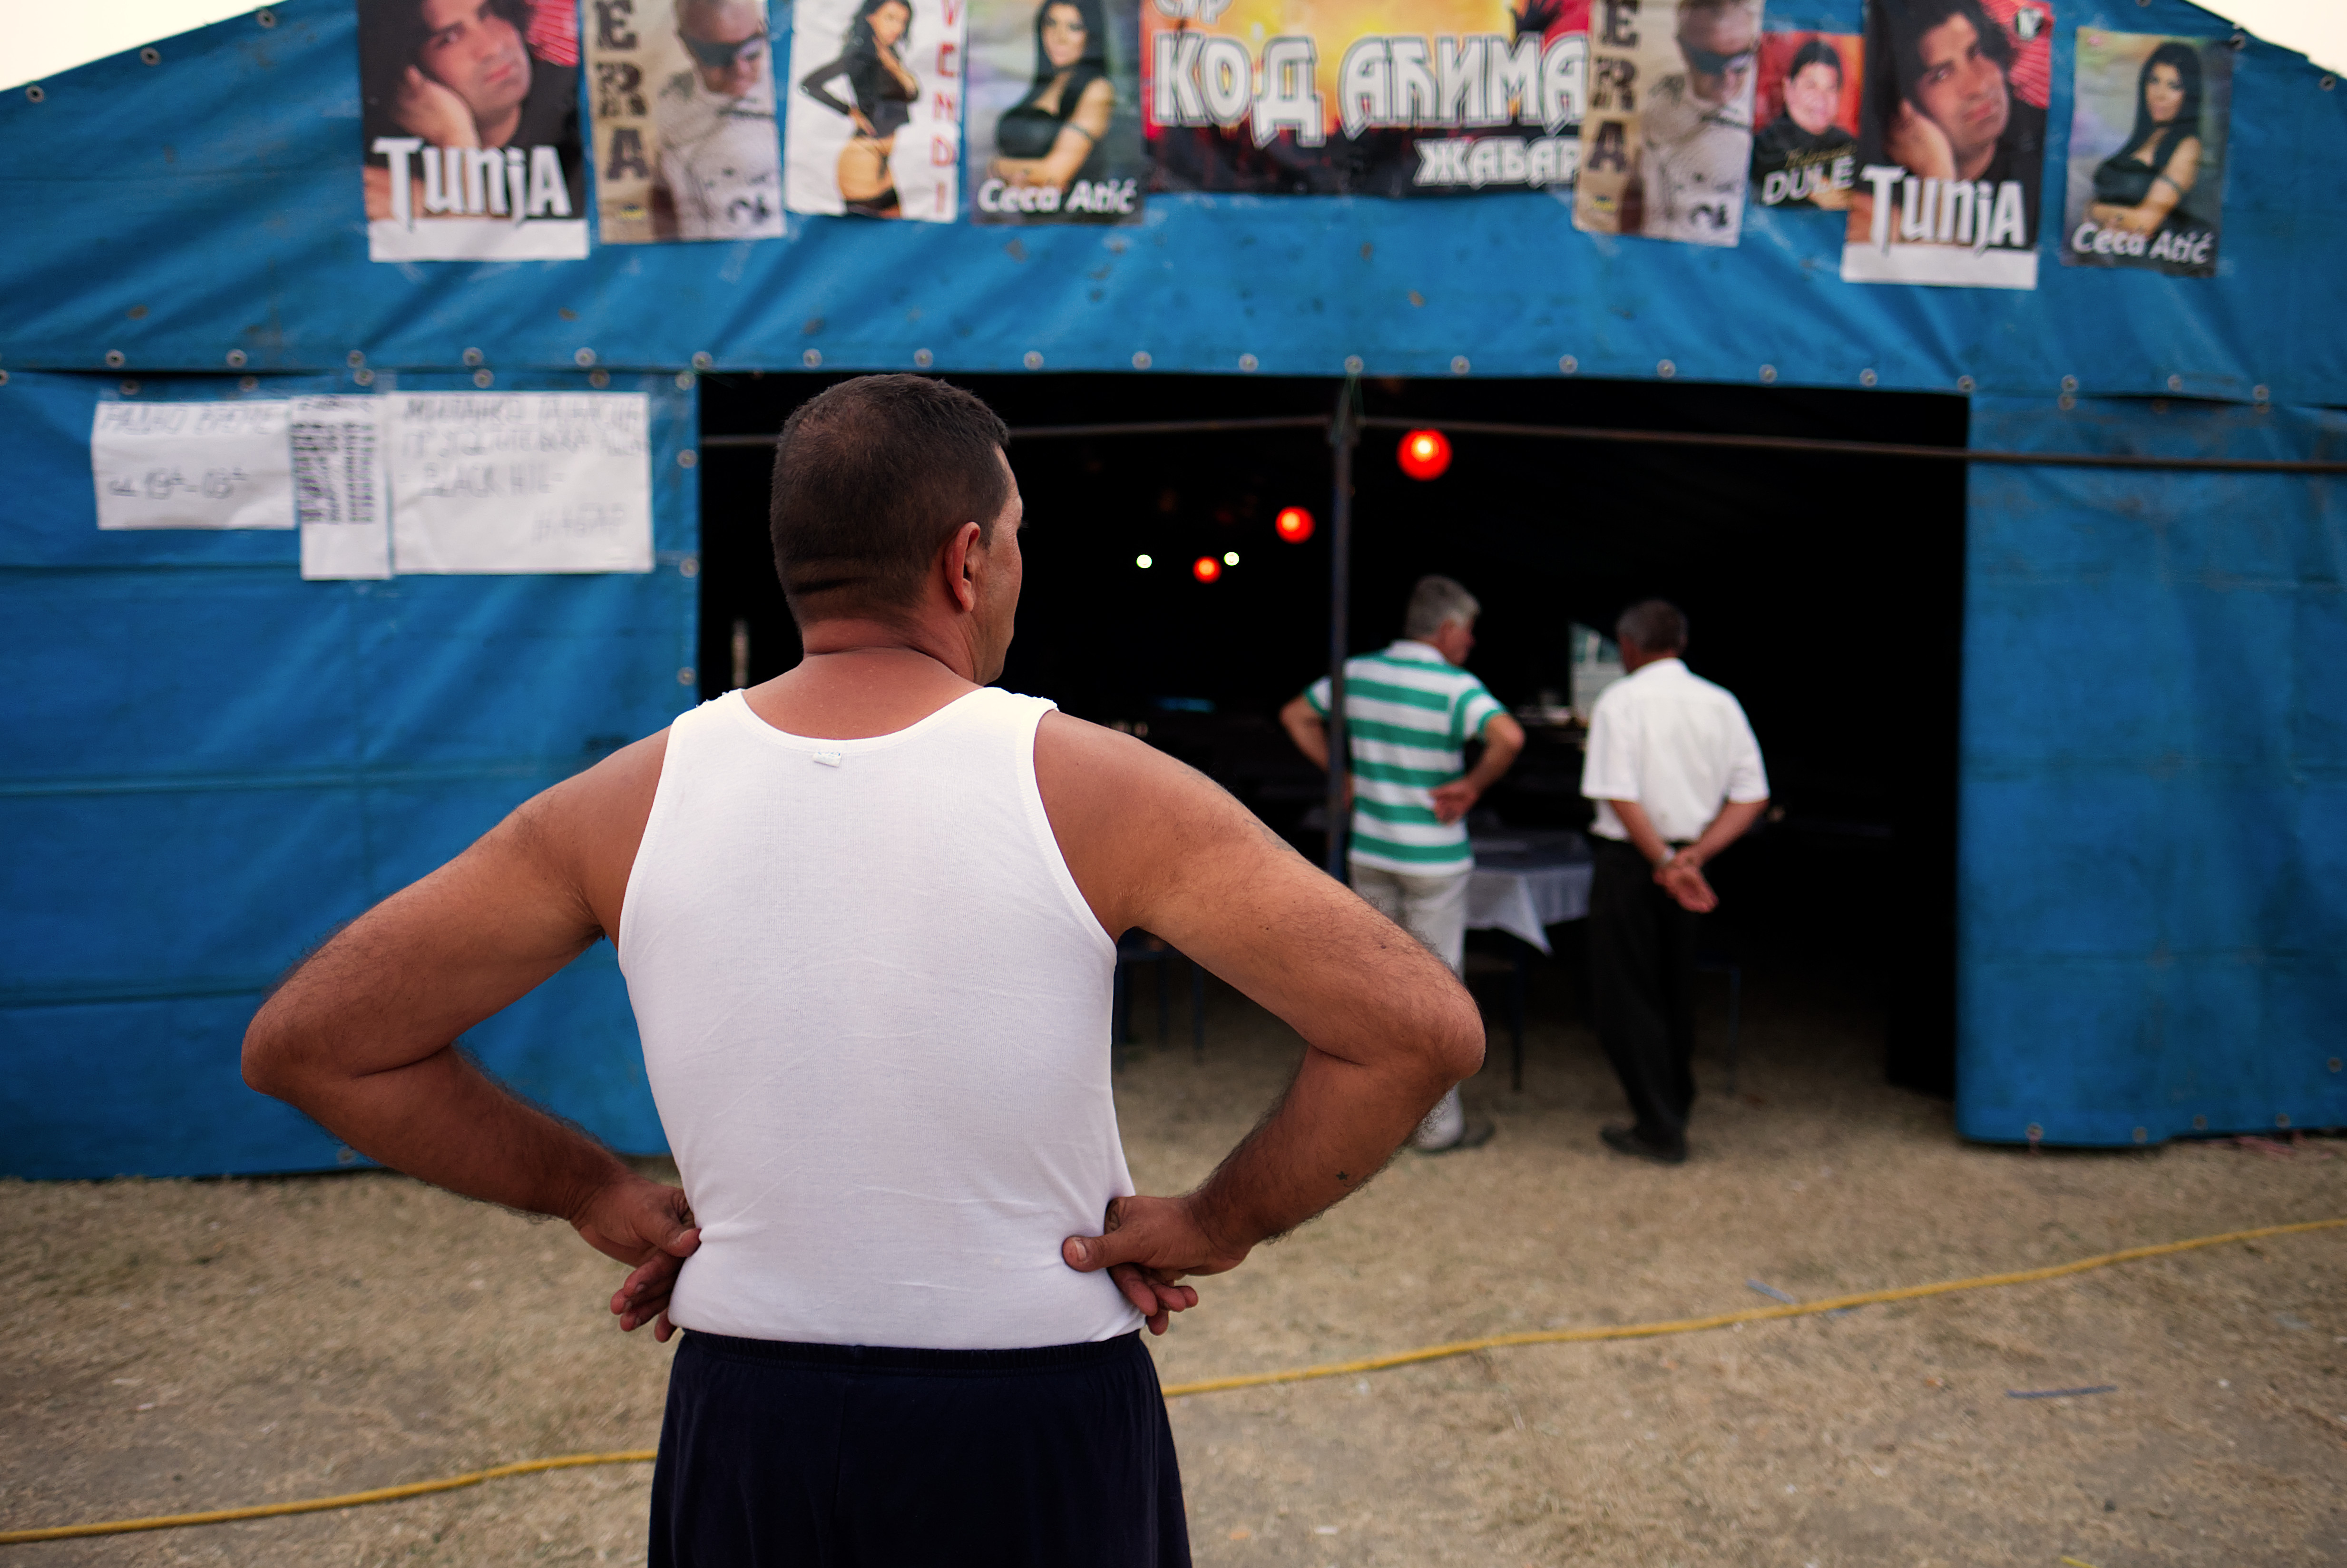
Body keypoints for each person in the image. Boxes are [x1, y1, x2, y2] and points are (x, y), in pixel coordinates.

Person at [243, 375, 1483, 1566]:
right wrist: (1219, 1219)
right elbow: (1417, 1029)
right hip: (1033, 1408)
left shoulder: (619, 804)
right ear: (965, 561)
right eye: (1016, 538)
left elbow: (316, 1042)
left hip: (749, 1413)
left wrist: (586, 1188)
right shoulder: (1099, 788)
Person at [1279, 576, 1526, 1154]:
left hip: (1371, 849)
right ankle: (1436, 1125)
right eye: (1467, 631)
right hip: (1435, 858)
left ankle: (1374, 1116)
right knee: (1438, 990)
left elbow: (1295, 715)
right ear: (1446, 629)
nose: (1470, 642)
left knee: (1376, 985)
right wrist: (1471, 786)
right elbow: (1508, 737)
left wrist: (1340, 775)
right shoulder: (1456, 686)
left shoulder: (1357, 673)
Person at [1579, 600, 1767, 1166]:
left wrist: (1662, 860)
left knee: (1625, 994)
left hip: (1634, 860)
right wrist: (1693, 857)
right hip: (1688, 860)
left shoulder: (1620, 700)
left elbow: (1618, 791)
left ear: (1627, 645)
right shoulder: (1720, 702)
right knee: (1672, 987)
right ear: (1679, 643)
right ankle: (1674, 1101)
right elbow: (1751, 794)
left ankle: (1658, 1125)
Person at [361, 0, 585, 221]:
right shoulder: (379, 161)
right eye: (450, 38)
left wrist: (436, 206)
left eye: (489, 13)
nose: (493, 47)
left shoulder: (582, 101)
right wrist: (455, 137)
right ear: (407, 73)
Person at [1867, 0, 2044, 234]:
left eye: (1976, 52)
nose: (1978, 87)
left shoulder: (2049, 149)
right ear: (1902, 105)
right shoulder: (1871, 191)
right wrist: (1936, 173)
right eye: (1941, 75)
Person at [649, 0, 787, 240]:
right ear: (687, 45)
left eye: (753, 48)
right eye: (719, 55)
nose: (741, 69)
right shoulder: (670, 101)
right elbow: (661, 198)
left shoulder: (785, 87)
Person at [1627, 0, 1761, 244]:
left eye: (1741, 61)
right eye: (1711, 63)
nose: (1728, 79)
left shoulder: (1769, 104)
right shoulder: (1658, 100)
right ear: (1683, 49)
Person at [798, 0, 920, 217]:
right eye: (890, 18)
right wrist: (848, 111)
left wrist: (893, 63)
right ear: (871, 18)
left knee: (895, 227)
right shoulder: (858, 57)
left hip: (883, 161)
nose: (897, 28)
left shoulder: (890, 55)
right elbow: (810, 84)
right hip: (862, 159)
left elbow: (913, 93)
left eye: (903, 22)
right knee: (869, 235)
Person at [987, 0, 1115, 193]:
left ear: (1091, 35)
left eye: (1074, 27)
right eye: (1052, 24)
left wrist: (998, 166)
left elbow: (1055, 174)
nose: (1060, 38)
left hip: (1071, 211)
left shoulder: (1098, 90)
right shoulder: (1046, 84)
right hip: (1022, 208)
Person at [2086, 41, 2205, 240]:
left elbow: (2145, 223)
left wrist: (2095, 210)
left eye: (2174, 86)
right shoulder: (2142, 139)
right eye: (2154, 81)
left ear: (2189, 95)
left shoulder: (2189, 147)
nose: (2160, 95)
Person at [1751, 37, 1857, 210]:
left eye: (1831, 88)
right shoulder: (1763, 148)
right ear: (1789, 89)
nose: (1821, 99)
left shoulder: (1851, 147)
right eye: (1811, 86)